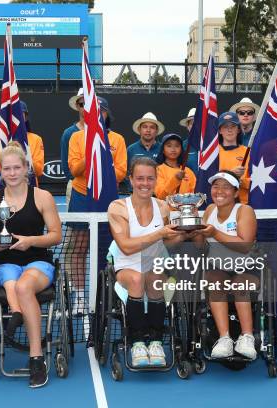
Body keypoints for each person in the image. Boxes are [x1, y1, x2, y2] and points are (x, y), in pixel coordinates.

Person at [0, 141, 62, 388]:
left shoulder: (42, 197)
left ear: (26, 168)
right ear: (0, 171)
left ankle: (36, 357)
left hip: (38, 261)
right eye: (7, 169)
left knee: (25, 287)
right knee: (12, 280)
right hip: (6, 263)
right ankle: (16, 313)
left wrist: (31, 241)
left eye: (17, 167)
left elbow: (56, 235)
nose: (12, 173)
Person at [108, 157, 189, 367]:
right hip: (127, 265)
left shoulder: (163, 207)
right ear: (131, 180)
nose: (145, 183)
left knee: (154, 279)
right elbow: (125, 246)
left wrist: (186, 231)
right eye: (140, 178)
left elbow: (169, 244)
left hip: (154, 265)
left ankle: (155, 342)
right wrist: (159, 234)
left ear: (156, 180)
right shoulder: (118, 207)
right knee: (136, 279)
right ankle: (136, 342)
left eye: (150, 179)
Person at [67, 96, 127, 311]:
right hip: (82, 196)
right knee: (79, 248)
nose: (97, 115)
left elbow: (120, 173)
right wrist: (92, 152)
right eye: (93, 111)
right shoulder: (76, 137)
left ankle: (109, 292)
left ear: (106, 114)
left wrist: (102, 164)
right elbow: (74, 170)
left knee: (108, 249)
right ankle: (80, 296)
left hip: (108, 197)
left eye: (101, 111)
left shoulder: (118, 140)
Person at [191, 171, 258, 360]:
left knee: (240, 285)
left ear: (236, 192)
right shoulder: (210, 210)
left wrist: (214, 233)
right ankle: (224, 339)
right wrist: (196, 227)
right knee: (214, 282)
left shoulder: (245, 210)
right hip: (217, 267)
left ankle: (247, 337)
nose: (219, 190)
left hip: (246, 266)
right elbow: (200, 246)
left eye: (226, 187)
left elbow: (244, 246)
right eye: (216, 186)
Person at [0, 101, 44, 186]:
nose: (15, 117)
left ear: (25, 117)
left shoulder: (36, 139)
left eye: (19, 114)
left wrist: (23, 157)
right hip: (5, 188)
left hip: (29, 187)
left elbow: (39, 170)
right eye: (11, 114)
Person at [216, 112, 249, 204]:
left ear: (238, 130)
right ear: (220, 130)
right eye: (225, 127)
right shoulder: (212, 153)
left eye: (233, 126)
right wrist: (231, 175)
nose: (229, 130)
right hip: (219, 203)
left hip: (243, 204)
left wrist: (242, 182)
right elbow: (207, 179)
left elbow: (258, 181)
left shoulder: (248, 152)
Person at [61, 88, 85, 206]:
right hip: (75, 184)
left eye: (89, 103)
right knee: (74, 223)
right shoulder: (69, 133)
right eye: (82, 104)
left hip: (99, 185)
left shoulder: (104, 133)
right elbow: (66, 164)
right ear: (77, 106)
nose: (86, 107)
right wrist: (76, 180)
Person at [154, 133, 196, 200]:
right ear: (163, 150)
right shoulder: (158, 170)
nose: (173, 149)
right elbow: (161, 196)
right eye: (169, 146)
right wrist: (176, 179)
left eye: (177, 146)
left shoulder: (188, 171)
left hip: (186, 209)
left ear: (181, 149)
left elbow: (195, 195)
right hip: (166, 210)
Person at [180, 108, 198, 174]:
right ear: (187, 126)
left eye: (198, 123)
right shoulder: (181, 146)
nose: (195, 126)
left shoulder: (211, 145)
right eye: (192, 123)